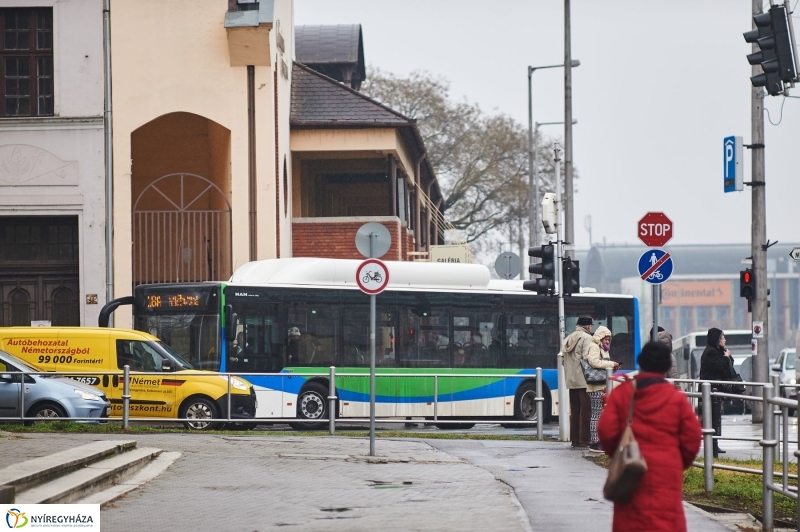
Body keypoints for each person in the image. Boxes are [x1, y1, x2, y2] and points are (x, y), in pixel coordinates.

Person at [598, 341, 702, 532]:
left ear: (641, 363)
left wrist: (620, 455)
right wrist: (677, 462)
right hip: (667, 477)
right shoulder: (676, 399)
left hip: (630, 477)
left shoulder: (623, 394)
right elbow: (693, 438)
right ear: (666, 367)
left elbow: (606, 431)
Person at [584, 326, 620, 452]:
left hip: (601, 385)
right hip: (595, 386)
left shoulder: (603, 349)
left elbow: (601, 364)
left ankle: (599, 441)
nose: (608, 342)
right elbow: (594, 362)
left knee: (599, 413)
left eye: (609, 339)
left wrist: (613, 367)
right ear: (600, 338)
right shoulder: (594, 346)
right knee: (596, 414)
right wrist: (611, 364)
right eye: (606, 339)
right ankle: (595, 442)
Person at [699, 327, 733, 457]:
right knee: (711, 419)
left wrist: (726, 355)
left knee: (716, 418)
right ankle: (712, 447)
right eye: (722, 337)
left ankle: (715, 444)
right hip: (709, 392)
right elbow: (719, 366)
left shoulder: (717, 351)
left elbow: (728, 365)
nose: (725, 340)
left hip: (715, 391)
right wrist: (725, 358)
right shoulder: (710, 352)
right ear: (717, 339)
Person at [562, 316, 594, 448]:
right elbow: (588, 358)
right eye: (591, 326)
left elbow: (563, 360)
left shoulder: (568, 338)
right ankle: (585, 440)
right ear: (587, 326)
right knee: (585, 410)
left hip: (571, 379)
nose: (591, 328)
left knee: (574, 410)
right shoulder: (587, 338)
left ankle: (575, 439)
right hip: (584, 379)